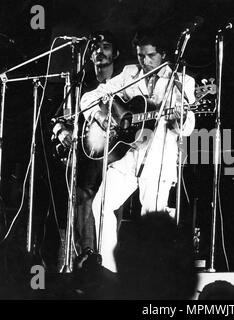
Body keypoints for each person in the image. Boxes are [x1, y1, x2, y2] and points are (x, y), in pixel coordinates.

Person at [80, 28, 196, 272]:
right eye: (140, 55)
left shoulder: (181, 80)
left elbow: (186, 127)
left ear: (163, 54)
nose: (144, 62)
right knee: (100, 205)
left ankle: (152, 279)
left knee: (152, 219)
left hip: (158, 158)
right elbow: (90, 98)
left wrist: (179, 119)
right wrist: (101, 118)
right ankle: (108, 272)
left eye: (150, 56)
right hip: (128, 154)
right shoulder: (129, 73)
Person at [51, 30, 121, 256]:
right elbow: (57, 120)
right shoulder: (79, 83)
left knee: (108, 202)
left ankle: (106, 258)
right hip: (83, 157)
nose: (100, 51)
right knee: (83, 198)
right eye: (96, 47)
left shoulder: (123, 84)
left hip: (114, 156)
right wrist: (61, 131)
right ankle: (86, 256)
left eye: (107, 46)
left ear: (116, 53)